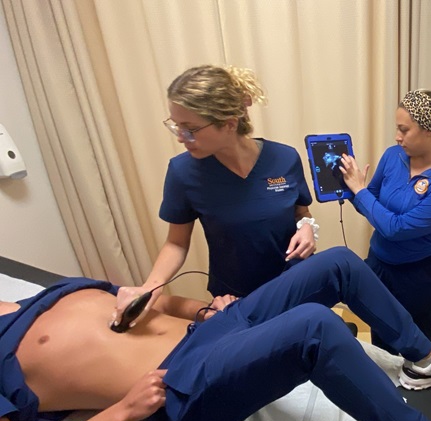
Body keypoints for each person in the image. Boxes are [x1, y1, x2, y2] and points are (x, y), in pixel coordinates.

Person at [0, 247, 431, 421]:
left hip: (212, 330)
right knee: (314, 327)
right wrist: (120, 412)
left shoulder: (38, 295)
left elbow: (146, 302)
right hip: (179, 386)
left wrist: (200, 310)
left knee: (337, 263)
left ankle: (424, 359)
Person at [115, 65, 317, 322]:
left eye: (190, 128)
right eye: (175, 126)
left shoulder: (285, 157)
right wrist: (149, 288)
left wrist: (309, 227)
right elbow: (176, 243)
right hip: (234, 300)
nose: (180, 138)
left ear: (229, 124)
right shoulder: (183, 172)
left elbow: (302, 212)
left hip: (296, 283)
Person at [339, 89, 431, 350]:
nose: (397, 137)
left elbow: (397, 229)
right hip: (378, 265)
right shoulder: (392, 156)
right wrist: (345, 187)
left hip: (417, 275)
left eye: (404, 130)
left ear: (430, 130)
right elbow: (369, 200)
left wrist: (360, 192)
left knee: (418, 351)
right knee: (382, 341)